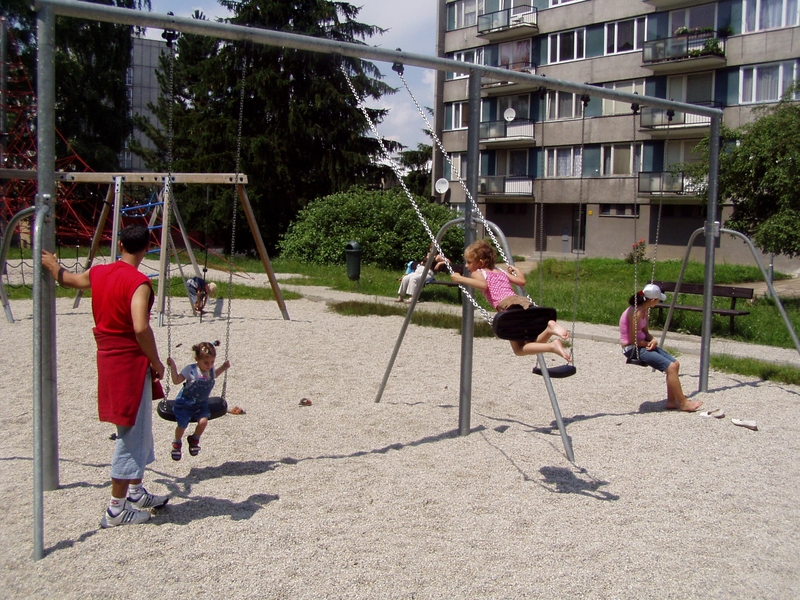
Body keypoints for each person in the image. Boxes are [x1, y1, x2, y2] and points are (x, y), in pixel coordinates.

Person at [41, 224, 170, 528]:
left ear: (121, 244)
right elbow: (140, 326)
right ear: (146, 248)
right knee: (131, 433)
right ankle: (116, 508)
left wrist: (53, 265)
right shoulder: (138, 283)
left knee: (138, 428)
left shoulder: (99, 272)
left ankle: (136, 492)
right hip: (129, 362)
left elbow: (69, 279)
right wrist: (156, 361)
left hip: (108, 357)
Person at [450, 239, 571, 361]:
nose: (466, 265)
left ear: (480, 262)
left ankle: (552, 345)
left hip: (508, 307)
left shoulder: (478, 272)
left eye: (469, 262)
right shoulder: (500, 271)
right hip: (523, 303)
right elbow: (521, 282)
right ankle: (550, 330)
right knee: (531, 343)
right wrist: (517, 271)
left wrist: (460, 279)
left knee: (518, 350)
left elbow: (483, 285)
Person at [620, 283, 703, 412]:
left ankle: (671, 401)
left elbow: (645, 332)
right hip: (631, 348)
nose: (659, 302)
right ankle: (683, 403)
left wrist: (652, 340)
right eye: (658, 300)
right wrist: (647, 344)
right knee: (670, 368)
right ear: (653, 300)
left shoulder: (645, 310)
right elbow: (632, 340)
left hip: (641, 344)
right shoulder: (636, 312)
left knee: (675, 364)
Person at [166, 341, 231, 461]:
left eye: (212, 362)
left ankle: (194, 439)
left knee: (203, 422)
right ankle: (177, 443)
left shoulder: (210, 371)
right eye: (206, 362)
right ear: (197, 359)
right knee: (182, 425)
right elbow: (176, 380)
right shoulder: (190, 370)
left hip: (201, 405)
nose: (209, 365)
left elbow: (215, 374)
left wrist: (223, 367)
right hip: (185, 404)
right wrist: (173, 366)